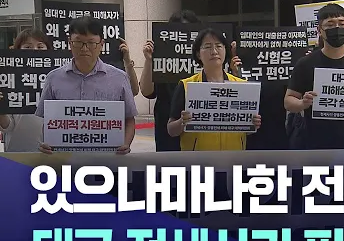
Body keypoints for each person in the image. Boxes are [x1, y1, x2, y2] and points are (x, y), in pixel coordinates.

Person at [284, 3, 344, 150]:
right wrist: (302, 104)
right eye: (330, 25)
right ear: (319, 30)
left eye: (341, 23)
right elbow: (288, 101)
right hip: (315, 144)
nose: (337, 28)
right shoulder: (306, 63)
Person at [35, 16, 138, 154]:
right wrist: (45, 142)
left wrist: (126, 143)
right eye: (78, 42)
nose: (84, 48)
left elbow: (129, 119)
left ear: (101, 44)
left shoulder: (119, 78)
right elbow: (45, 119)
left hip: (108, 159)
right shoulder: (53, 78)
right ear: (69, 43)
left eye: (91, 43)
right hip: (64, 159)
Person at [167, 27, 261, 151]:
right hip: (197, 160)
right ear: (198, 54)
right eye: (207, 47)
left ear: (225, 51)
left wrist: (252, 124)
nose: (214, 51)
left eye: (219, 46)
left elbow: (246, 132)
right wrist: (182, 122)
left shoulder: (241, 85)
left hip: (233, 158)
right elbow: (171, 130)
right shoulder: (186, 85)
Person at [139, 10, 200, 152]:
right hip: (166, 126)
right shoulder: (162, 58)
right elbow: (147, 91)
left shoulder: (203, 58)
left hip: (197, 128)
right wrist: (149, 60)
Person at [0, 29, 51, 152]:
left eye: (40, 47)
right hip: (17, 152)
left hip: (50, 152)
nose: (35, 50)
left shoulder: (56, 77)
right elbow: (7, 126)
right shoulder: (9, 79)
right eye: (28, 47)